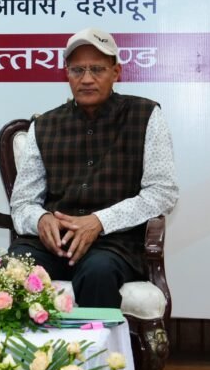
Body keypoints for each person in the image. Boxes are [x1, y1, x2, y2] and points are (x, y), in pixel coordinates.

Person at [9, 28, 178, 308]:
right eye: (78, 70)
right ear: (67, 74)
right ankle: (27, 340)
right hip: (52, 244)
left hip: (113, 244)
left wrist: (100, 221)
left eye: (97, 69)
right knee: (13, 270)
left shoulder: (145, 115)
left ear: (116, 72)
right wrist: (41, 220)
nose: (87, 79)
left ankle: (98, 340)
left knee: (97, 273)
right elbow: (23, 202)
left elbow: (162, 192)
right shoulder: (45, 125)